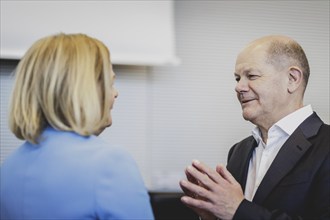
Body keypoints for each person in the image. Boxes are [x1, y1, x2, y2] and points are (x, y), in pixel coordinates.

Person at [0, 33, 154, 220]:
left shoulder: (9, 168)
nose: (116, 93)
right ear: (86, 89)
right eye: (110, 83)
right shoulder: (110, 164)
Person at [179, 35, 330, 220]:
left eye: (251, 76)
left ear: (292, 79)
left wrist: (238, 210)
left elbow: (237, 212)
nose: (239, 87)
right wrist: (214, 215)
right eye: (237, 78)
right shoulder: (239, 151)